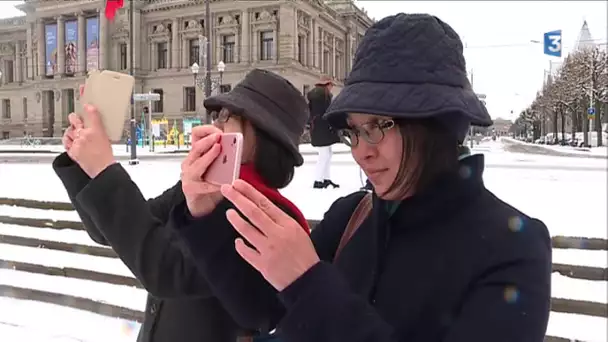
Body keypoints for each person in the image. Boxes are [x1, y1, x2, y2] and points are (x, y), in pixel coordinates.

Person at [169, 13, 552, 342]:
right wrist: (203, 218)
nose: (360, 150)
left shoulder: (513, 249)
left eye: (377, 127)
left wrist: (308, 283)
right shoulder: (353, 214)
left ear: (436, 125)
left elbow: (306, 295)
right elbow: (266, 311)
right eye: (353, 131)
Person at [52, 69, 310, 342]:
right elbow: (112, 231)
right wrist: (85, 166)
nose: (216, 126)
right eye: (217, 115)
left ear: (259, 133)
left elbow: (166, 269)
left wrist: (104, 168)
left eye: (227, 116)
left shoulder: (267, 214)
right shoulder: (202, 185)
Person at [307, 75, 340, 189]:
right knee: (324, 155)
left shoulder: (322, 94)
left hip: (321, 128)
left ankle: (325, 178)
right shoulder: (321, 96)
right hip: (321, 128)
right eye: (331, 85)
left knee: (327, 154)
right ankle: (318, 180)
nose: (332, 87)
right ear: (327, 84)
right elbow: (324, 113)